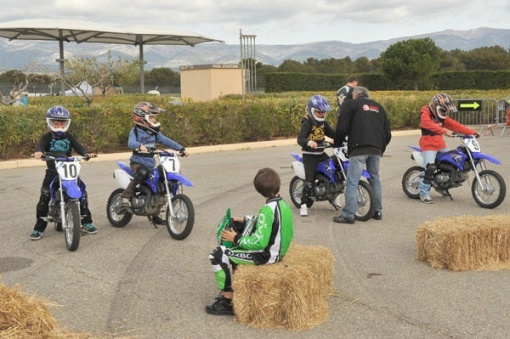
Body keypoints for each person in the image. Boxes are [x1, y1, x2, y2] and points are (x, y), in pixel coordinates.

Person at [206, 167, 294, 316]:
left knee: (218, 255)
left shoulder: (266, 209)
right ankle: (240, 290)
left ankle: (228, 301)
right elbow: (269, 223)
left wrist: (236, 238)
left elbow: (259, 242)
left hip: (266, 255)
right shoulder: (283, 204)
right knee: (235, 250)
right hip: (279, 251)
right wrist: (245, 219)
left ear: (258, 190)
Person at [30, 106, 97, 240]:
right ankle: (39, 228)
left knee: (82, 193)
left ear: (67, 123)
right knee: (45, 194)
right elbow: (41, 146)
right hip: (53, 171)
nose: (59, 125)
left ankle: (87, 222)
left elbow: (79, 147)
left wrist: (85, 154)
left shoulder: (69, 137)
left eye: (62, 123)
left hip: (68, 169)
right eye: (56, 123)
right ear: (50, 123)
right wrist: (39, 152)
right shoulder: (47, 137)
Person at [333, 86, 392, 224]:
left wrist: (337, 143)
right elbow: (387, 133)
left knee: (352, 182)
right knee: (375, 179)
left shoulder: (351, 104)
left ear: (355, 95)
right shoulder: (379, 107)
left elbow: (342, 126)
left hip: (359, 147)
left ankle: (348, 214)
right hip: (376, 148)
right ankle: (377, 211)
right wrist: (380, 147)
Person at [120, 102, 189, 209]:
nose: (153, 120)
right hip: (137, 164)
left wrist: (181, 148)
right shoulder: (135, 131)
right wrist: (139, 146)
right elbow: (131, 143)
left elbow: (166, 141)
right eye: (151, 117)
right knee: (142, 173)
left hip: (150, 165)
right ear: (142, 118)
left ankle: (155, 210)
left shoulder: (153, 132)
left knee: (161, 178)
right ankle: (125, 196)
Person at [417, 93, 478, 204]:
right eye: (443, 110)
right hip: (428, 145)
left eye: (445, 111)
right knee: (430, 168)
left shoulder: (441, 117)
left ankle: (442, 186)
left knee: (450, 165)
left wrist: (471, 132)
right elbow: (428, 124)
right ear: (435, 107)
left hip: (440, 145)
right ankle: (424, 193)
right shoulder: (425, 113)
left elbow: (456, 125)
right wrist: (444, 131)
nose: (444, 113)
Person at [296, 94, 336, 217]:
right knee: (309, 180)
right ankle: (303, 205)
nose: (322, 115)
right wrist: (308, 142)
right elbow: (300, 139)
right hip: (309, 156)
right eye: (319, 112)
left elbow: (333, 133)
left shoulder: (323, 124)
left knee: (333, 170)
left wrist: (341, 138)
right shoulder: (307, 123)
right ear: (312, 111)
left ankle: (333, 196)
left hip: (321, 154)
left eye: (323, 113)